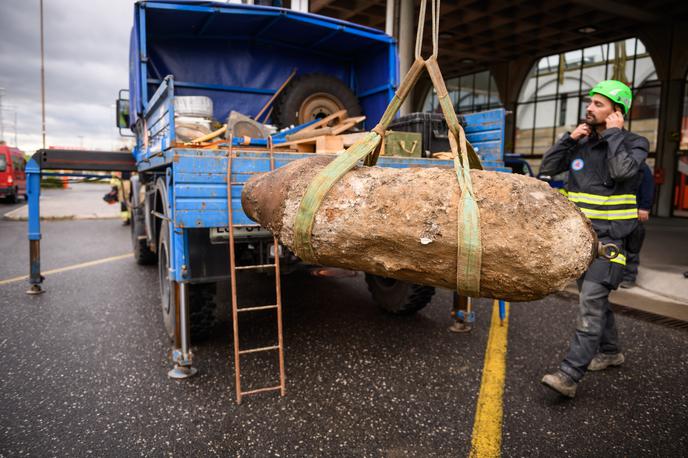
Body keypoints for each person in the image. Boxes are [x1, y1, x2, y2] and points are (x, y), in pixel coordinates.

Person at [538, 80, 649, 398]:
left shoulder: (634, 143)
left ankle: (569, 375)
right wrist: (568, 140)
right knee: (594, 296)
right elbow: (548, 168)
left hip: (613, 240)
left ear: (618, 113)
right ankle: (611, 351)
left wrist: (614, 135)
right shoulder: (582, 143)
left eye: (599, 104)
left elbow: (622, 173)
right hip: (581, 239)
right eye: (591, 102)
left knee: (590, 304)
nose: (589, 107)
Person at [620, 162, 654, 288]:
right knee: (618, 246)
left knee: (632, 247)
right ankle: (617, 275)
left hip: (634, 213)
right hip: (617, 213)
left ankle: (629, 277)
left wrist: (645, 207)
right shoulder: (617, 163)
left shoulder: (641, 166)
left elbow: (648, 187)